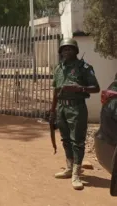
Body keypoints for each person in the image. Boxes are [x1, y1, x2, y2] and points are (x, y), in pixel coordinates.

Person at [50, 38, 100, 190]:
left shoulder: (84, 67)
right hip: (61, 108)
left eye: (70, 49)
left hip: (77, 109)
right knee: (65, 139)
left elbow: (96, 88)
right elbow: (56, 91)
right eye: (64, 49)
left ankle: (76, 174)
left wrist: (80, 88)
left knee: (77, 141)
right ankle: (69, 167)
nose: (67, 51)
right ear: (61, 52)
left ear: (76, 51)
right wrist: (52, 110)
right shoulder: (58, 68)